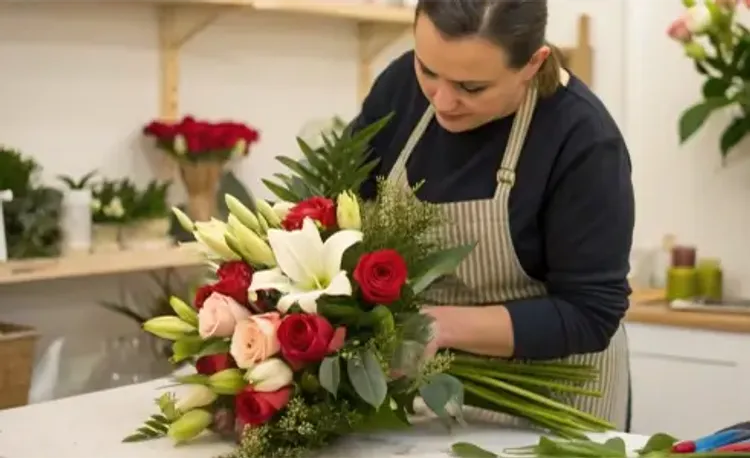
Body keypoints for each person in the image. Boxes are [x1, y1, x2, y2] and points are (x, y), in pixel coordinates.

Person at [352, 0, 635, 431]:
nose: (443, 101)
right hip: (420, 390)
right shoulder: (397, 89)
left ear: (533, 63)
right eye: (428, 71)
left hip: (551, 402)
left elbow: (591, 312)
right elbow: (340, 205)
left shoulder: (583, 139)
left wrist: (437, 326)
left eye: (472, 87)